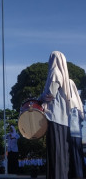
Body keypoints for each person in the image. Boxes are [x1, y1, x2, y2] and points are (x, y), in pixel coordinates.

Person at [39, 51, 71, 179]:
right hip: (64, 120)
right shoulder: (64, 76)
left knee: (54, 152)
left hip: (54, 118)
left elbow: (49, 94)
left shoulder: (54, 74)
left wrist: (39, 98)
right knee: (62, 152)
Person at [69, 79, 84, 178]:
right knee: (78, 155)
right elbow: (82, 117)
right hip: (77, 133)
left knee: (73, 154)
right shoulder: (78, 100)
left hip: (72, 132)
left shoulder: (70, 100)